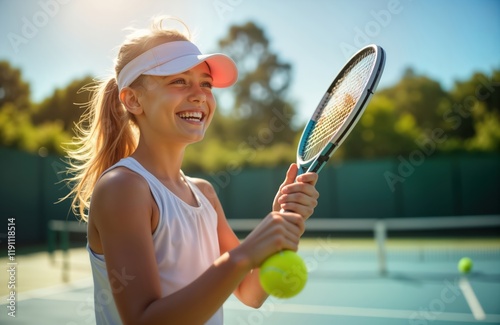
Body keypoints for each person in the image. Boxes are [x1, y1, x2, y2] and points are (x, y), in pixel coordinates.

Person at [66, 16, 319, 325]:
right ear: (133, 99)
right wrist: (244, 254)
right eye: (179, 81)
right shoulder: (122, 187)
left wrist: (282, 222)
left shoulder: (205, 194)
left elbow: (250, 292)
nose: (199, 94)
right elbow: (144, 320)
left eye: (206, 84)